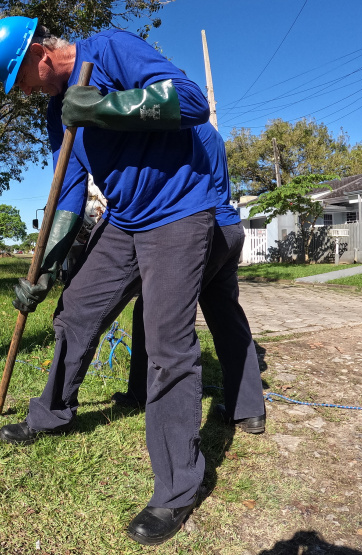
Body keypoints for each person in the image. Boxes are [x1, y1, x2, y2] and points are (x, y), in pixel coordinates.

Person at [0, 17, 218, 546]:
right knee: (77, 308)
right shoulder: (55, 114)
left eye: (22, 78)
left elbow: (192, 101)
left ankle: (177, 489)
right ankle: (52, 413)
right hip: (127, 220)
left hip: (178, 210)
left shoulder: (110, 51)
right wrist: (42, 270)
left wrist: (105, 108)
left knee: (166, 343)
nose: (25, 90)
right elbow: (67, 193)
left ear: (40, 54)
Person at [112, 122, 267, 435]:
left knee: (151, 308)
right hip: (230, 228)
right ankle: (249, 410)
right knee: (227, 318)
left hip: (204, 229)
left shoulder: (178, 125)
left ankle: (142, 394)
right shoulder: (211, 132)